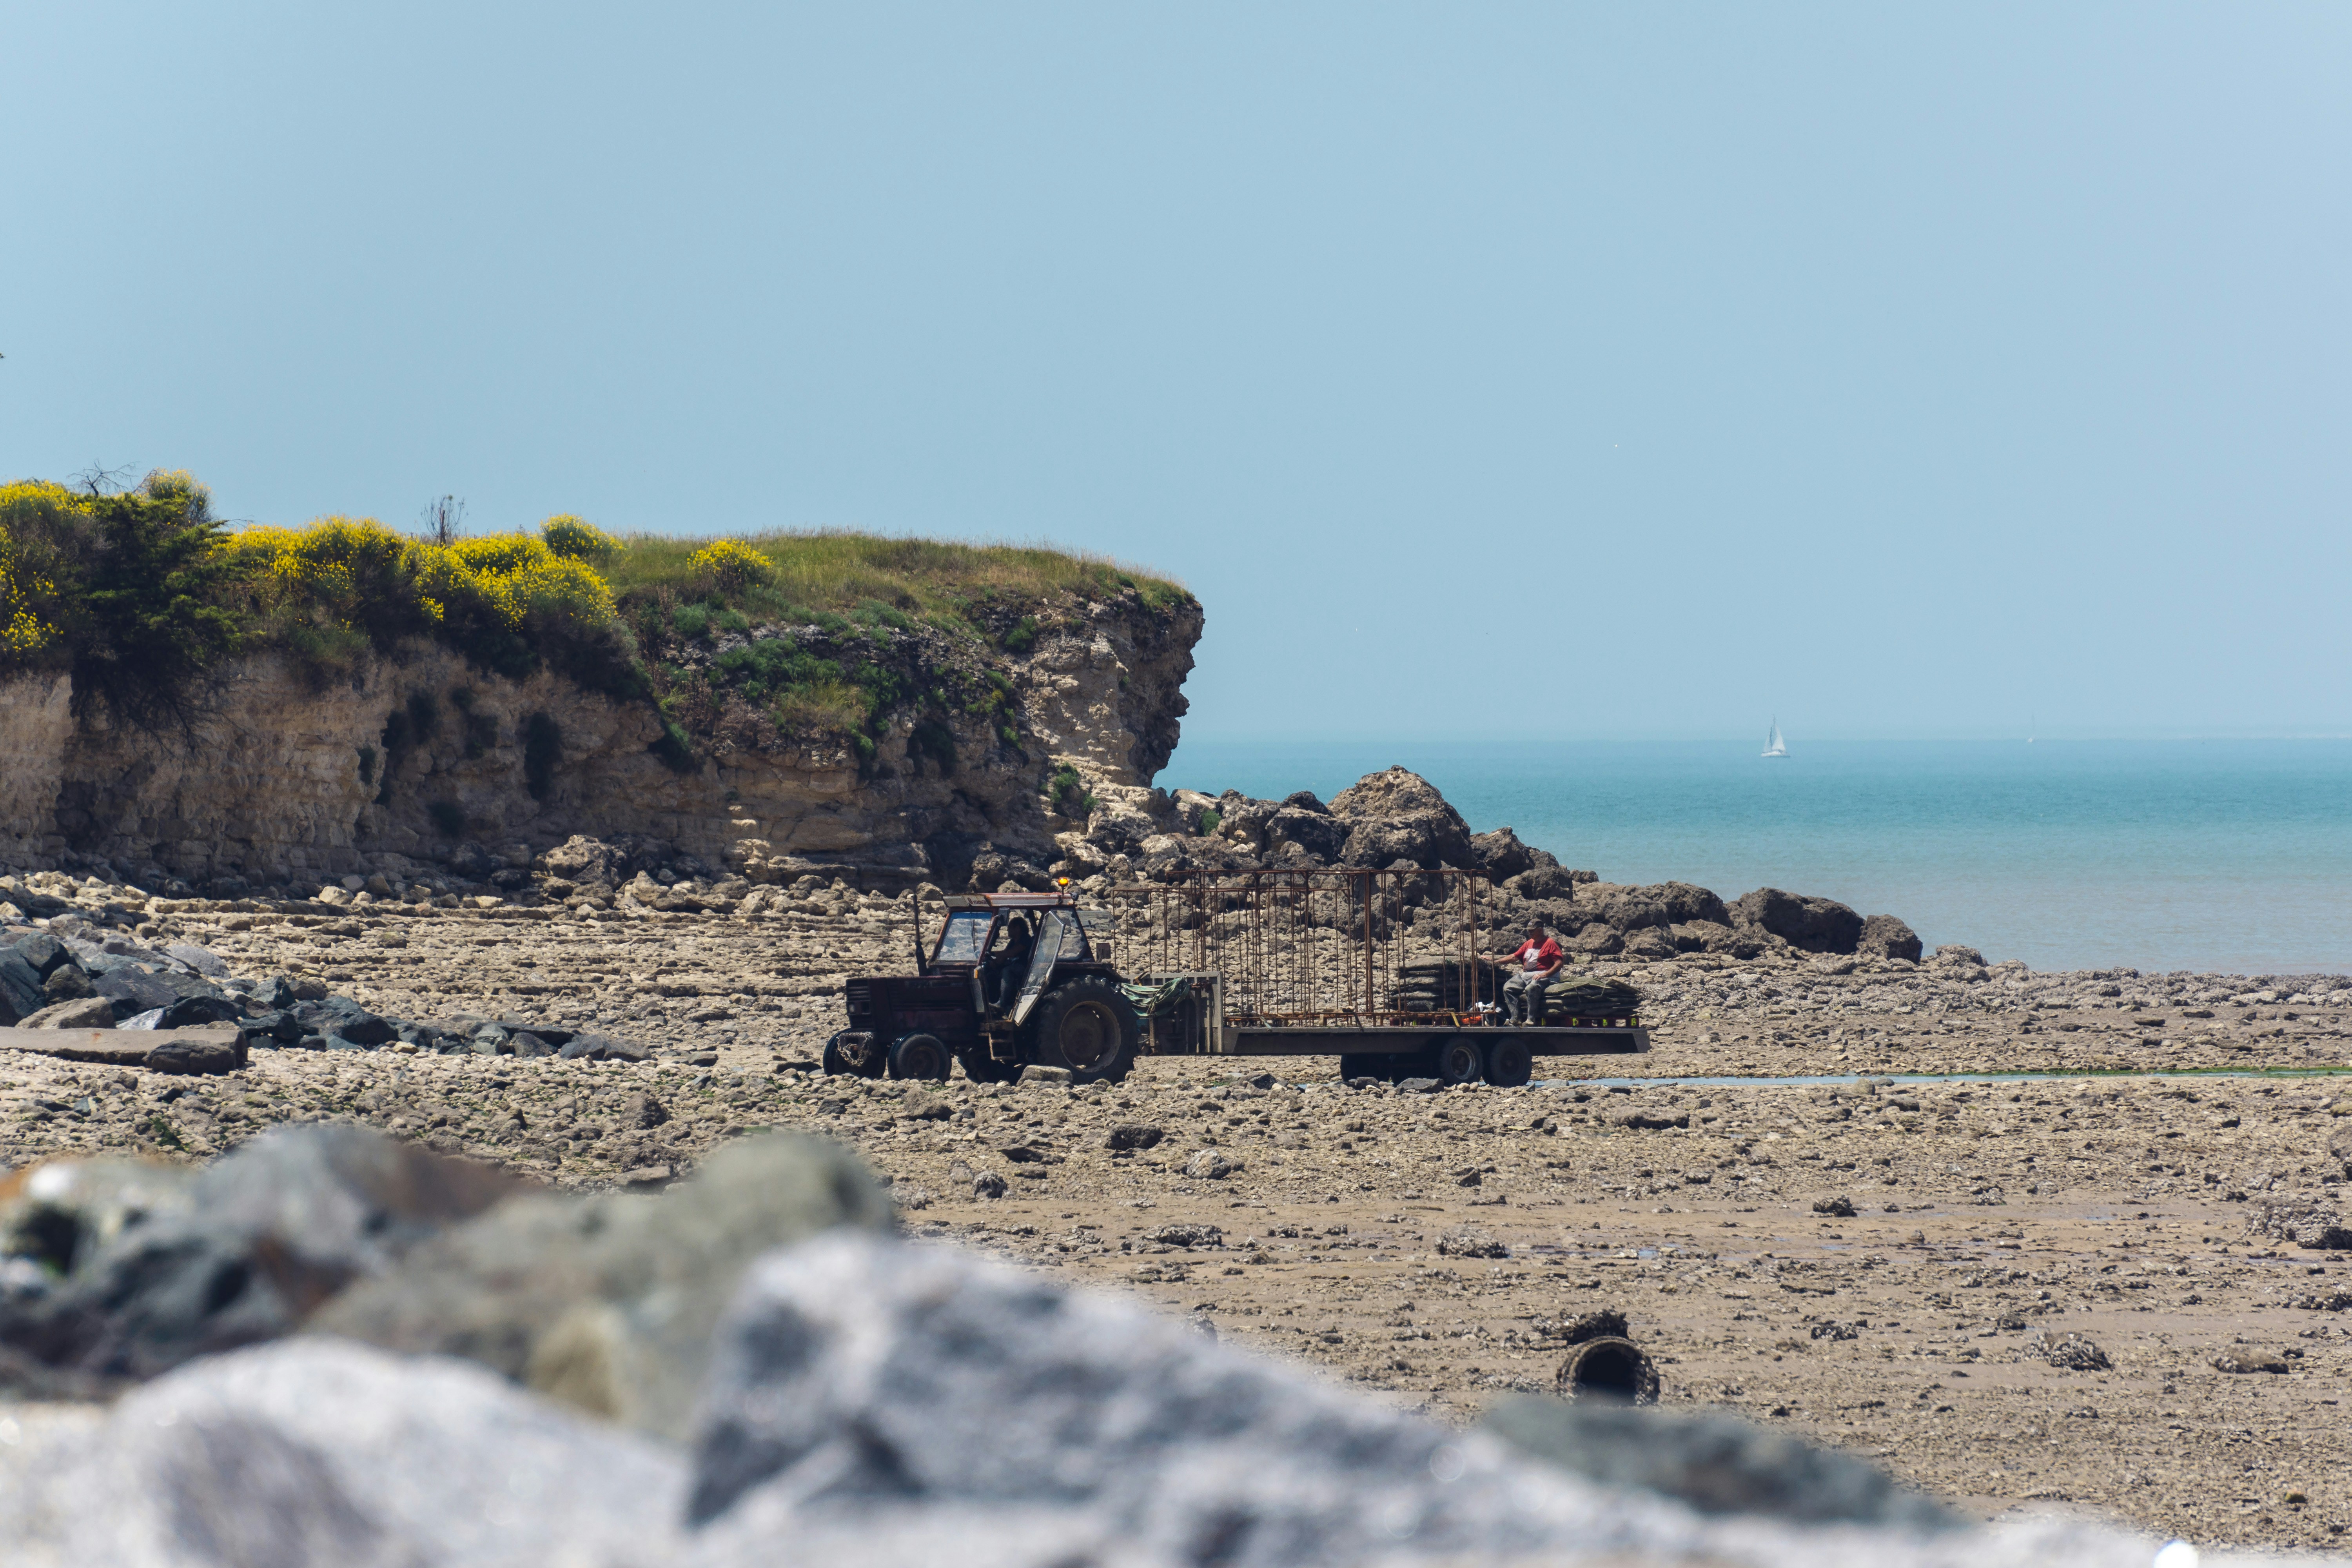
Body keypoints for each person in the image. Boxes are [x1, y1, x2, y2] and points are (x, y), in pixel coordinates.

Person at [1493, 921, 1564, 1026]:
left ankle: (1531, 1019)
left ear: (1540, 929)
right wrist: (1495, 961)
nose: (1530, 932)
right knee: (1508, 987)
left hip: (1546, 975)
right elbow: (1514, 957)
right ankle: (1516, 1018)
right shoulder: (1529, 943)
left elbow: (1559, 963)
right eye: (1529, 930)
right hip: (1527, 974)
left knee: (1531, 988)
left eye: (1533, 930)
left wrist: (1544, 975)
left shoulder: (1550, 943)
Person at [988, 914, 1036, 1011]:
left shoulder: (1025, 939)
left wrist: (992, 953)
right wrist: (994, 963)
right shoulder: (1012, 942)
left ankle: (1003, 1004)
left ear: (1017, 928)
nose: (1007, 931)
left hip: (1024, 967)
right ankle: (990, 1001)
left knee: (1007, 971)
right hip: (1014, 965)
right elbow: (1004, 956)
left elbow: (1011, 953)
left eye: (1009, 928)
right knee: (991, 974)